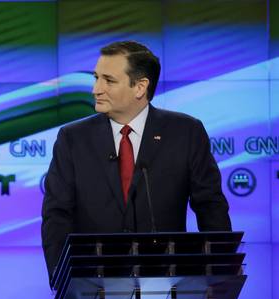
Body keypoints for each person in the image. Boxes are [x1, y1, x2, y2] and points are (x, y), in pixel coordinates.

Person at [41, 41, 231, 279]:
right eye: (96, 78)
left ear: (140, 87)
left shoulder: (185, 132)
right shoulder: (73, 139)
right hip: (92, 286)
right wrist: (63, 279)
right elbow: (57, 215)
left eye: (108, 80)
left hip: (167, 285)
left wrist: (221, 275)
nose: (95, 89)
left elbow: (211, 208)